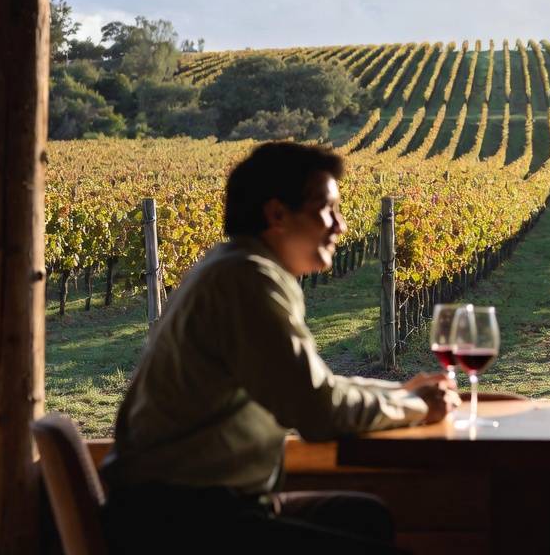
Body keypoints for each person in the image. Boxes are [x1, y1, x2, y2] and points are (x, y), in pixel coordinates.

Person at [101, 142, 460, 554]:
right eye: (327, 209)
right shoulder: (247, 281)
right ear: (277, 215)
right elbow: (317, 410)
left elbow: (308, 384)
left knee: (365, 517)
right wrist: (415, 405)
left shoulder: (234, 267)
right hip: (179, 523)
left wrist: (400, 394)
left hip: (185, 506)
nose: (341, 226)